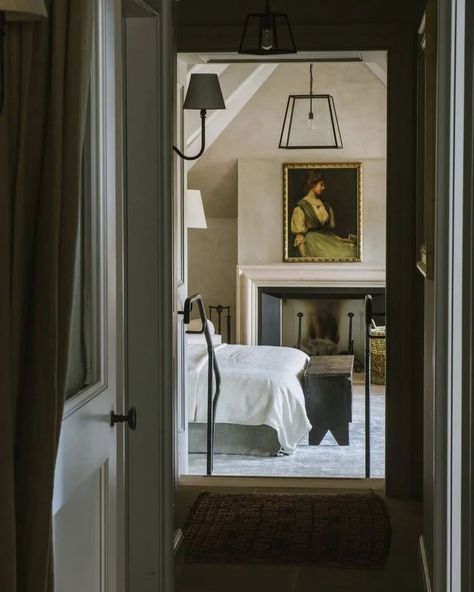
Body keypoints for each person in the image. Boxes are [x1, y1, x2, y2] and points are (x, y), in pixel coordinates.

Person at [290, 171, 357, 259]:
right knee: (346, 254)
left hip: (327, 240)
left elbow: (327, 232)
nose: (323, 187)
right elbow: (299, 236)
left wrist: (340, 240)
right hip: (312, 244)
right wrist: (305, 258)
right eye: (321, 185)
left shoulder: (325, 205)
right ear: (312, 185)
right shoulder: (301, 207)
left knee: (354, 249)